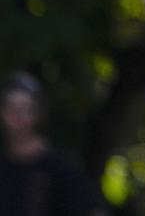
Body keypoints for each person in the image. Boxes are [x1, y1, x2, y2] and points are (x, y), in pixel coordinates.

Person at [0, 72, 109, 216]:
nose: (18, 117)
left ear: (37, 113)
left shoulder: (58, 165)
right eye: (11, 109)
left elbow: (93, 209)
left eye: (25, 109)